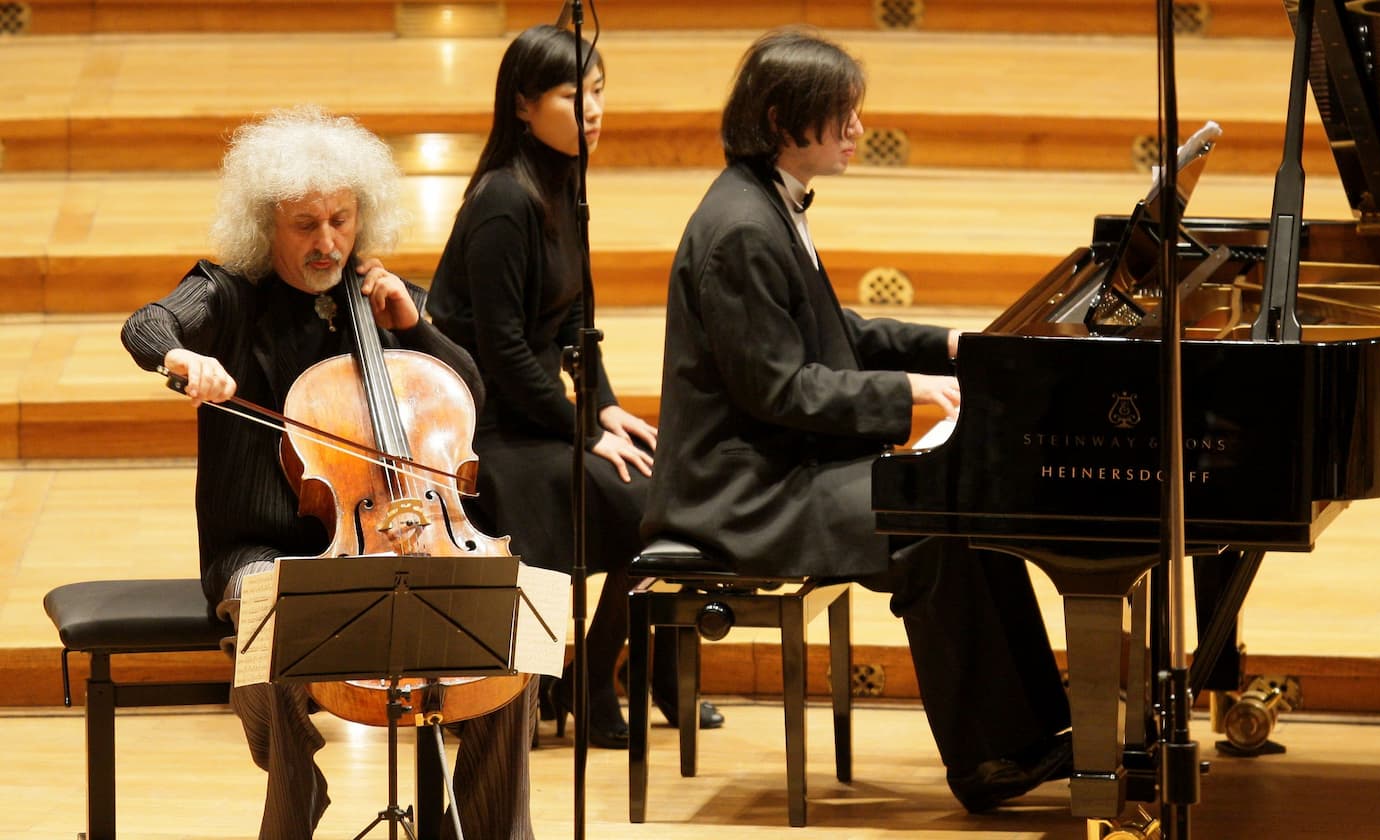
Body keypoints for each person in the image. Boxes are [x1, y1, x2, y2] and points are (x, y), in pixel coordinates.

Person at [643, 26, 1073, 813]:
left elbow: (833, 330)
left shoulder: (768, 203)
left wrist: (946, 347)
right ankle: (990, 759)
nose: (858, 131)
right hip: (741, 490)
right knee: (930, 515)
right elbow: (777, 389)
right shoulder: (740, 227)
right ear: (782, 121)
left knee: (964, 503)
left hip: (778, 466)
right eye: (842, 116)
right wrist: (909, 393)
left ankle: (1038, 733)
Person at [120, 105, 537, 840]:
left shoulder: (377, 294)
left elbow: (464, 394)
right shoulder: (228, 291)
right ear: (265, 226)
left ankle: (492, 826)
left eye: (341, 220)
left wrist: (415, 327)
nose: (328, 242)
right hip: (260, 550)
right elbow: (145, 324)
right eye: (305, 225)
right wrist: (181, 357)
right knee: (270, 622)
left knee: (511, 641)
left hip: (395, 538)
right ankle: (292, 813)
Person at [425, 23, 721, 751]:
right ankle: (572, 679)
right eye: (572, 93)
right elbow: (497, 353)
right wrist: (582, 429)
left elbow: (575, 325)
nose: (592, 108)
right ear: (524, 106)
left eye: (598, 91)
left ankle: (595, 676)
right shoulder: (504, 200)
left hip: (531, 412)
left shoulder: (563, 187)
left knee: (659, 493)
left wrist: (609, 406)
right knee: (631, 500)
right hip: (485, 426)